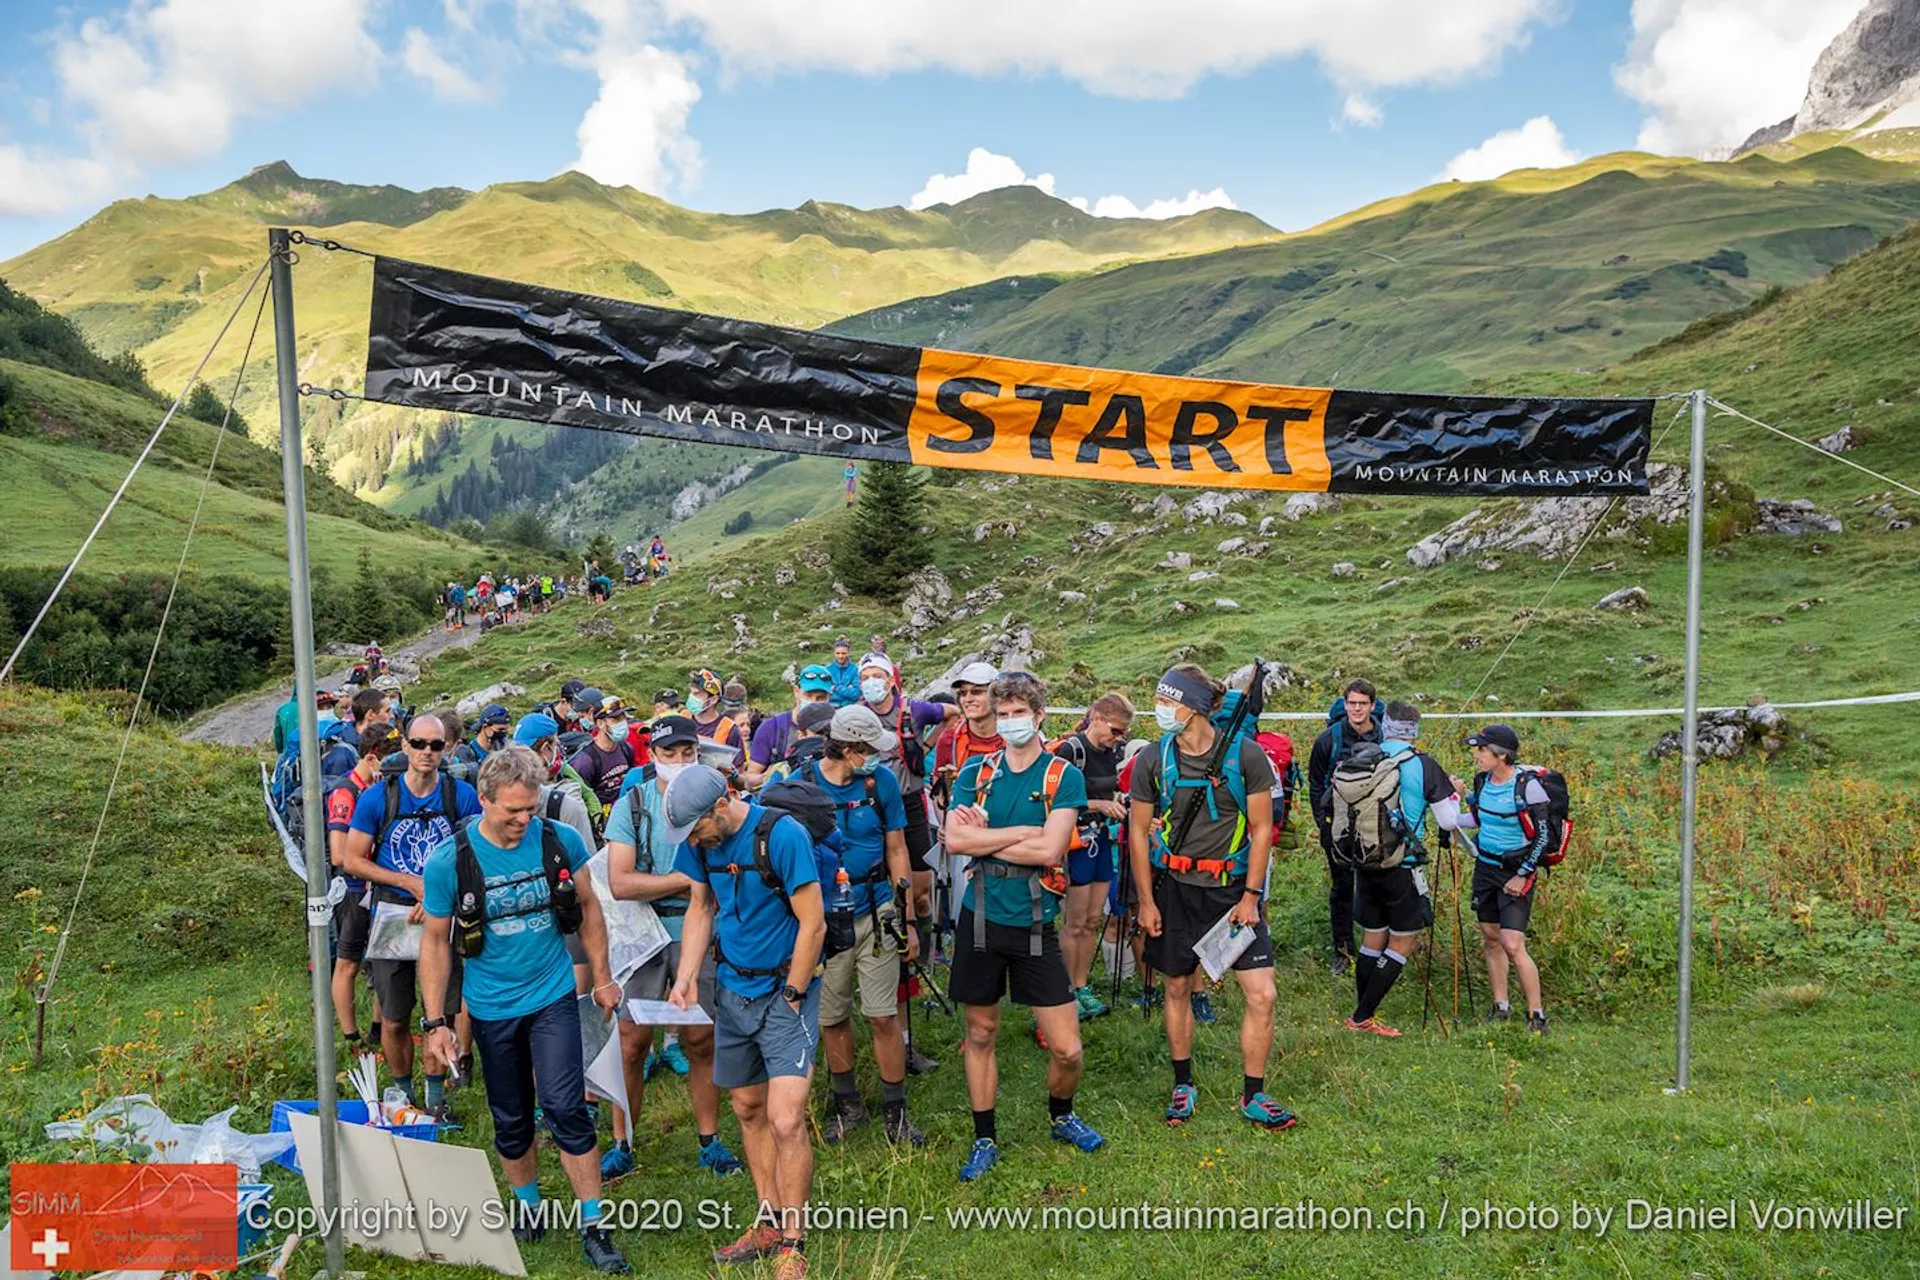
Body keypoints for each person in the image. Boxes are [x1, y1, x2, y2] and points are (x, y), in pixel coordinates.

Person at [417, 747, 630, 1273]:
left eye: (530, 808)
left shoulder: (560, 840)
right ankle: (528, 1209)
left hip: (552, 993)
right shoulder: (452, 860)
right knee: (510, 1117)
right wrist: (436, 1023)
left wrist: (602, 977)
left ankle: (593, 1225)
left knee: (565, 1108)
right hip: (490, 1007)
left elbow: (588, 909)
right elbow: (436, 943)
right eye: (511, 810)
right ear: (484, 800)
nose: (523, 820)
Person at [943, 672, 1103, 1182]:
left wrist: (986, 837)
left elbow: (1050, 850)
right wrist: (1015, 833)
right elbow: (953, 840)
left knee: (1067, 1047)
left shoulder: (1062, 776)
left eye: (1020, 713)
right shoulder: (975, 770)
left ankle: (1062, 1114)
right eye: (1003, 713)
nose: (1011, 722)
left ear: (1039, 716)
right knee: (981, 1030)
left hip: (1036, 922)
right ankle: (984, 1135)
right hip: (982, 917)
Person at [668, 766, 825, 1278]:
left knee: (786, 1117)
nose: (693, 842)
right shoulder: (699, 842)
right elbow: (700, 905)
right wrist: (687, 975)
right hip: (733, 989)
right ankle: (768, 1218)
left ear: (722, 804)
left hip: (785, 989)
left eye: (696, 830)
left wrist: (795, 993)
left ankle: (793, 1244)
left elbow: (813, 922)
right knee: (749, 1107)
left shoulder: (781, 835)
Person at [1131, 665, 1296, 1132]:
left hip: (1232, 893)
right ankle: (1183, 1083)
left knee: (1263, 994)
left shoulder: (1246, 756)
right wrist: (1146, 901)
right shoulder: (1152, 759)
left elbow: (1264, 828)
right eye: (1159, 700)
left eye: (1169, 701)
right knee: (1178, 986)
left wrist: (1251, 896)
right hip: (1176, 890)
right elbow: (1138, 832)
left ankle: (1254, 1093)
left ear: (1197, 707)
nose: (1161, 710)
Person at [602, 717, 742, 1179]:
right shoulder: (634, 803)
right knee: (631, 1041)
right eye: (670, 754)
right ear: (653, 757)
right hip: (642, 935)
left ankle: (710, 1139)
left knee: (701, 1036)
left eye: (688, 753)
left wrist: (664, 886)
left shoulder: (714, 801)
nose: (679, 763)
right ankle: (623, 1140)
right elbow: (620, 882)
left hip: (695, 930)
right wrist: (686, 880)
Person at [339, 713, 482, 1111]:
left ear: (446, 749)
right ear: (404, 745)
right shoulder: (377, 797)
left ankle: (436, 1100)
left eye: (436, 746)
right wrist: (409, 883)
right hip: (393, 915)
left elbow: (473, 855)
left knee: (444, 1014)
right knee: (395, 1017)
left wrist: (435, 893)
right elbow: (351, 860)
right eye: (419, 744)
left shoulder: (461, 796)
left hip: (443, 915)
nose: (427, 752)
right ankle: (403, 1093)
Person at [803, 706, 924, 1146]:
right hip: (825, 917)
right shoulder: (802, 786)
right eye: (871, 750)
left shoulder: (882, 783)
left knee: (882, 1015)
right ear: (850, 749)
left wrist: (907, 918)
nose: (879, 757)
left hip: (877, 911)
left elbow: (897, 850)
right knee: (832, 1016)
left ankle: (896, 1110)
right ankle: (846, 1102)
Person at [856, 653, 957, 1072]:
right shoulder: (855, 716)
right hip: (874, 805)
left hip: (912, 804)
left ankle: (923, 955)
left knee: (916, 897)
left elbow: (952, 712)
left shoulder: (913, 709)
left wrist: (928, 745)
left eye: (878, 675)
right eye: (865, 677)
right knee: (886, 899)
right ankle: (893, 991)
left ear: (893, 680)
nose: (871, 683)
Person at [1343, 702, 1462, 1037]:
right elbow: (1448, 821)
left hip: (1365, 860)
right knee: (1403, 940)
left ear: (1385, 725)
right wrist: (1458, 793)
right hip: (1403, 862)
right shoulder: (1422, 763)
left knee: (1373, 935)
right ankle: (1362, 1016)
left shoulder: (1364, 756)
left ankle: (1361, 1010)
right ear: (1415, 730)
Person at [1460, 724, 1552, 1034]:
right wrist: (1450, 813)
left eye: (1482, 750)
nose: (1477, 755)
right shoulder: (1482, 781)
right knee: (1490, 936)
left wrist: (1523, 874)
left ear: (1503, 755)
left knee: (1513, 944)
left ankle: (1537, 1016)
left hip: (1516, 870)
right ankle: (1501, 1007)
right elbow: (1477, 818)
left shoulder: (1529, 788)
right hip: (1485, 868)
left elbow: (1543, 838)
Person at [1051, 693, 1134, 1020]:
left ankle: (1082, 985)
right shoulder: (1072, 750)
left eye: (1123, 733)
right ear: (1096, 718)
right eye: (1115, 730)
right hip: (1075, 841)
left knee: (1091, 920)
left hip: (1102, 838)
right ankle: (1065, 990)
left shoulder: (1113, 751)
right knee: (1074, 920)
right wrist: (1098, 804)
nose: (1119, 738)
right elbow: (1055, 800)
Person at [327, 725, 399, 1051]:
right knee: (349, 962)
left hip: (380, 885)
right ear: (372, 759)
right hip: (355, 887)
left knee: (384, 960)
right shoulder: (346, 793)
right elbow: (340, 853)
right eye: (387, 763)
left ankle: (376, 1032)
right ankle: (350, 1038)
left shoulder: (382, 787)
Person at [1308, 678, 1381, 976]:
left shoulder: (1384, 736)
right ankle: (1343, 952)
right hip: (1337, 828)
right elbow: (1314, 783)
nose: (1356, 709)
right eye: (1352, 703)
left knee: (1377, 887)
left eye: (1362, 703)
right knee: (1342, 889)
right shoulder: (1329, 739)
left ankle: (1376, 951)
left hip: (1376, 826)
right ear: (1345, 704)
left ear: (1372, 706)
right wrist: (1322, 825)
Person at [744, 665, 834, 789]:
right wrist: (772, 775)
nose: (813, 701)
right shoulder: (771, 728)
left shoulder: (837, 727)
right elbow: (749, 779)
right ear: (796, 691)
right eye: (808, 695)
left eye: (820, 698)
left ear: (830, 697)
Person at [570, 696, 636, 808]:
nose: (622, 723)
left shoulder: (626, 748)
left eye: (623, 717)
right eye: (616, 720)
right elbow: (580, 800)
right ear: (600, 724)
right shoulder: (585, 761)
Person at [763, 701, 835, 786]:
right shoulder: (784, 771)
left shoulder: (848, 763)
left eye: (830, 732)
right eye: (819, 733)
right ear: (800, 735)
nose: (826, 738)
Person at [687, 668, 747, 757]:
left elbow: (739, 768)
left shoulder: (729, 730)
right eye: (691, 693)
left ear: (713, 700)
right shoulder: (682, 718)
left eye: (697, 694)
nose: (692, 697)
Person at [454, 704, 511, 775]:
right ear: (484, 727)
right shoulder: (467, 753)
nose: (503, 733)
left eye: (505, 730)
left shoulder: (505, 747)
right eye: (500, 729)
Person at [824, 638, 860, 708]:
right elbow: (826, 694)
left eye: (843, 653)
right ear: (834, 653)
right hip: (831, 707)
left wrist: (835, 688)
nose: (840, 656)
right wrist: (847, 690)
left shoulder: (855, 669)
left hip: (849, 706)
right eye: (838, 653)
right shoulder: (827, 669)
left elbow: (856, 693)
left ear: (848, 653)